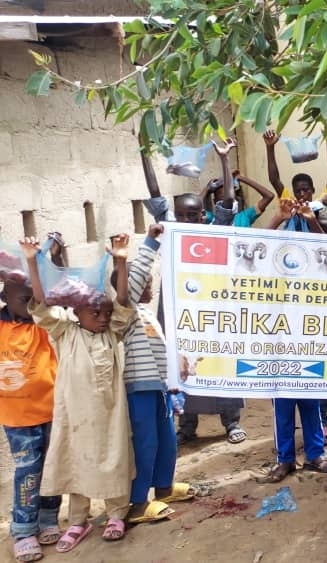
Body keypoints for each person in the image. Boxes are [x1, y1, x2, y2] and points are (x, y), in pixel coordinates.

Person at [22, 234, 134, 550]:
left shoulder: (112, 334)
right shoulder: (65, 333)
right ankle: (77, 522)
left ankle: (116, 514)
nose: (103, 318)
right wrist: (32, 262)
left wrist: (121, 260)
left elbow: (121, 302)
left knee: (115, 459)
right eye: (94, 313)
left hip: (110, 415)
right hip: (76, 417)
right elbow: (42, 305)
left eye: (105, 314)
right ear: (76, 314)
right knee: (77, 464)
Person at [117, 225, 203, 527]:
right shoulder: (125, 312)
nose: (150, 287)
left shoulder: (146, 313)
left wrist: (174, 380)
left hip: (159, 389)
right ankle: (138, 502)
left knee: (166, 440)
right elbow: (132, 282)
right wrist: (150, 244)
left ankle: (164, 487)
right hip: (139, 389)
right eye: (146, 283)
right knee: (146, 444)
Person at [171, 142, 248, 446]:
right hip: (184, 315)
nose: (187, 221)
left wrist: (225, 160)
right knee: (185, 368)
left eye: (193, 216)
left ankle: (231, 422)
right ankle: (187, 426)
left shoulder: (214, 232)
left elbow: (227, 203)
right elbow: (156, 198)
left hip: (216, 312)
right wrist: (144, 155)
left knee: (222, 364)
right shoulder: (172, 236)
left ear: (202, 216)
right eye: (182, 216)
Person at [0, 272, 62, 562]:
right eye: (25, 299)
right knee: (28, 470)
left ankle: (49, 518)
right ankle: (24, 530)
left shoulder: (42, 324)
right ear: (4, 298)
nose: (32, 304)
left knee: (52, 466)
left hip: (50, 410)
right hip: (17, 417)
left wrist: (47, 260)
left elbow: (50, 291)